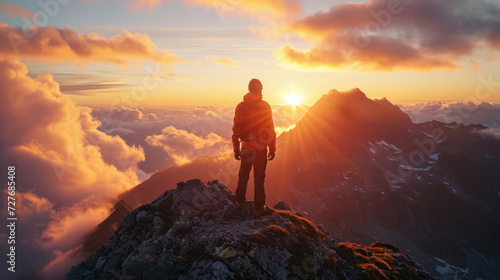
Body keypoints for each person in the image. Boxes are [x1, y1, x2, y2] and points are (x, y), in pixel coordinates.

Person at [232, 78, 276, 217]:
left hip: (246, 148)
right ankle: (258, 209)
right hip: (261, 149)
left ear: (249, 89)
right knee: (259, 178)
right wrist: (272, 148)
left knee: (243, 175)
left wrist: (236, 148)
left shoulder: (240, 106)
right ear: (260, 90)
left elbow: (236, 129)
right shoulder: (265, 106)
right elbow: (270, 128)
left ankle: (239, 202)